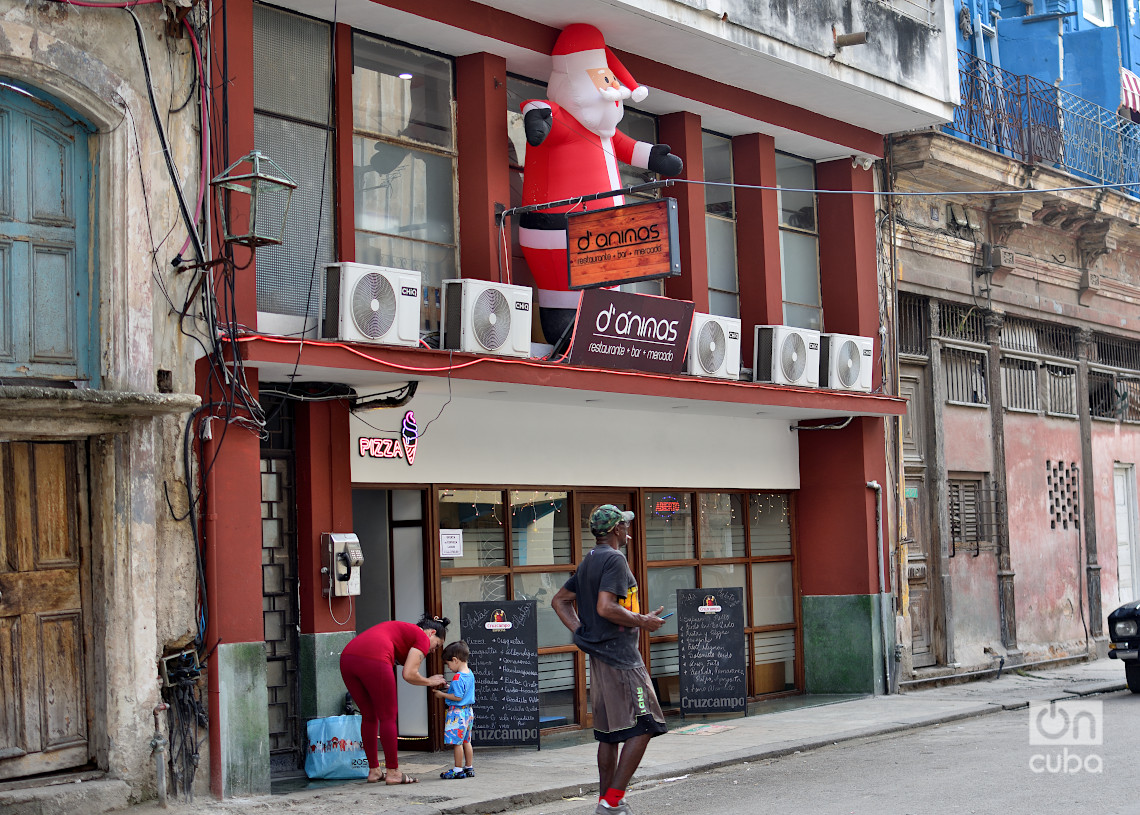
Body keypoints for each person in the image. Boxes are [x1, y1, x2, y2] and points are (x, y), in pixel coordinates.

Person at [518, 23, 683, 345]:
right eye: (602, 82)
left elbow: (629, 147)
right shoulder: (565, 122)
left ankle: (600, 334)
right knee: (561, 292)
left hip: (609, 233)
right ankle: (565, 334)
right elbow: (540, 111)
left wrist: (655, 158)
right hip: (560, 226)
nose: (611, 92)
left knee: (603, 291)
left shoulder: (605, 134)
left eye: (610, 82)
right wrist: (535, 119)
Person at [552, 505, 668, 815]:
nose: (628, 529)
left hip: (601, 659)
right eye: (625, 525)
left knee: (610, 734)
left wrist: (584, 633)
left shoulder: (590, 559)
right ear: (616, 530)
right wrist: (642, 621)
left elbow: (559, 601)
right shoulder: (615, 559)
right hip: (621, 659)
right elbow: (605, 607)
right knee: (646, 725)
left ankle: (607, 805)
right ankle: (612, 800)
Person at [339, 615, 450, 784]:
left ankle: (374, 771)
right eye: (437, 645)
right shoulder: (421, 637)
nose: (433, 651)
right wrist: (430, 681)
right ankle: (393, 772)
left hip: (347, 658)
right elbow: (409, 674)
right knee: (388, 716)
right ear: (431, 633)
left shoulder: (404, 632)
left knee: (369, 716)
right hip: (374, 657)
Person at [433, 639, 476, 779]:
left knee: (456, 743)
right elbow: (463, 693)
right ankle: (469, 767)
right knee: (466, 741)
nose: (449, 667)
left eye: (448, 664)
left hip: (457, 712)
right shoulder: (469, 673)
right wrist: (449, 688)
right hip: (468, 711)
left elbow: (457, 697)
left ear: (455, 660)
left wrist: (442, 694)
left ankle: (457, 769)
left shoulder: (457, 677)